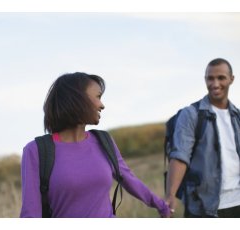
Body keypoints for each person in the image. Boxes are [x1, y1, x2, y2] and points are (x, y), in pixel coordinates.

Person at [20, 72, 170, 218]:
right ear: (77, 99)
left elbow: (128, 179)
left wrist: (162, 206)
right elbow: (30, 214)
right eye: (98, 97)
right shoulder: (35, 151)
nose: (102, 105)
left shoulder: (104, 141)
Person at [166, 58, 240, 217]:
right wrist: (170, 195)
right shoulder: (191, 114)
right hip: (202, 206)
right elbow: (180, 156)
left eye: (221, 78)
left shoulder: (237, 117)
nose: (215, 83)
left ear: (231, 79)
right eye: (210, 78)